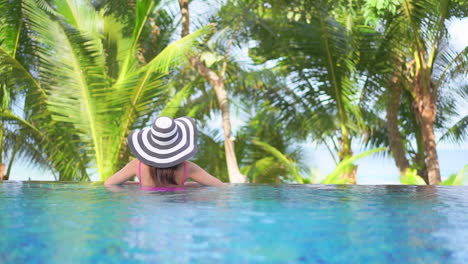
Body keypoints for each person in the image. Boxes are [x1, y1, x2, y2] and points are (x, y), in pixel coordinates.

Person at [104, 116, 225, 189]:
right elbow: (219, 186)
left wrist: (137, 184)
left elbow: (109, 184)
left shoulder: (137, 165)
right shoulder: (187, 167)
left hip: (146, 210)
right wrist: (190, 185)